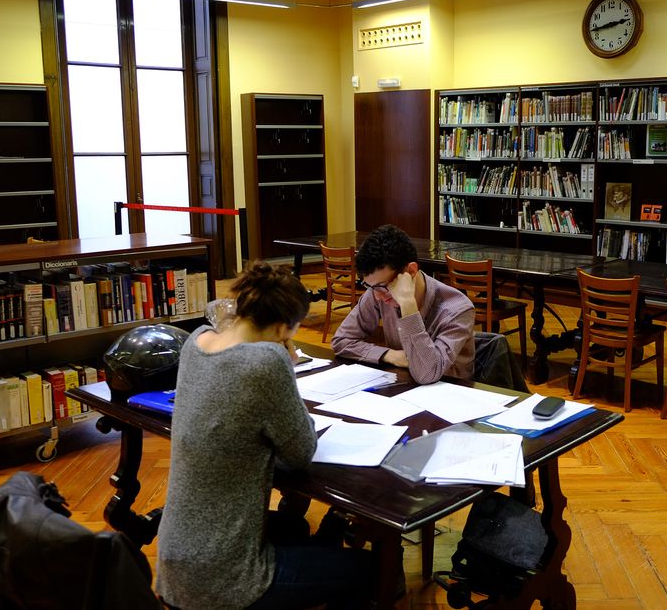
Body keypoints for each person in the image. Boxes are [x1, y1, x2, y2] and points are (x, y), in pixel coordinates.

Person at [156, 260, 376, 610]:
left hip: (176, 558)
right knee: (370, 571)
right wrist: (283, 363)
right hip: (225, 579)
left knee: (296, 529)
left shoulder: (197, 342)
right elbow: (301, 450)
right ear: (279, 329)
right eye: (290, 335)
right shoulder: (266, 362)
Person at [331, 224, 475, 384]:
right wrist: (390, 355)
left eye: (382, 286)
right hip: (403, 388)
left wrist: (408, 305)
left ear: (411, 271)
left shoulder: (458, 308)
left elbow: (427, 373)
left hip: (451, 394)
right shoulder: (377, 291)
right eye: (370, 286)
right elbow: (341, 341)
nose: (377, 296)